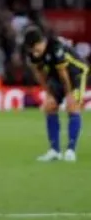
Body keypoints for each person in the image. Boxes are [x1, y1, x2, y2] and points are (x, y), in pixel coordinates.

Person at [22, 27, 86, 162]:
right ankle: (54, 151)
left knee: (72, 106)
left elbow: (64, 73)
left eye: (35, 49)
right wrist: (48, 92)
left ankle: (70, 150)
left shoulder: (55, 47)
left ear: (41, 42)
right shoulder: (33, 54)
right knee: (50, 106)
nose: (34, 53)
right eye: (31, 50)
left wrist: (69, 95)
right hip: (56, 75)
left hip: (76, 73)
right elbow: (39, 73)